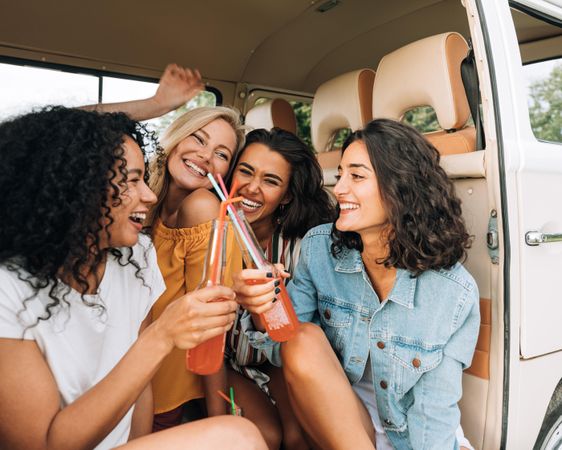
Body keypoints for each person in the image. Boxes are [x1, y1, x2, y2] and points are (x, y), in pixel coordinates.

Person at [0, 106, 267, 450]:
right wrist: (161, 335)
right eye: (130, 180)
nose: (148, 195)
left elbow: (141, 392)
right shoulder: (9, 289)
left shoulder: (136, 258)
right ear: (77, 187)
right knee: (238, 437)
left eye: (221, 153)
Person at [233, 119, 480, 449]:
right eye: (341, 173)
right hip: (338, 422)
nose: (339, 188)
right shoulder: (320, 247)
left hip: (410, 435)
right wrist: (266, 305)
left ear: (400, 187)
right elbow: (284, 349)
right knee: (302, 339)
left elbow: (433, 411)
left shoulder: (452, 291)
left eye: (357, 176)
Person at [86, 65, 247, 429]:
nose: (206, 156)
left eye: (222, 153)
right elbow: (63, 131)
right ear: (176, 137)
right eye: (199, 139)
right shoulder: (139, 199)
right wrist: (157, 103)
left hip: (155, 394)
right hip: (110, 378)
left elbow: (211, 329)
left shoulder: (202, 208)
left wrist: (218, 423)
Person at [203, 128, 335, 449]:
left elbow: (288, 341)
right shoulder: (212, 232)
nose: (251, 187)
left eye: (270, 181)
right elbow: (210, 343)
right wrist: (216, 418)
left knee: (298, 437)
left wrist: (270, 301)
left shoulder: (303, 248)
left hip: (276, 360)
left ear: (287, 196)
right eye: (245, 172)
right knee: (268, 435)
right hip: (224, 361)